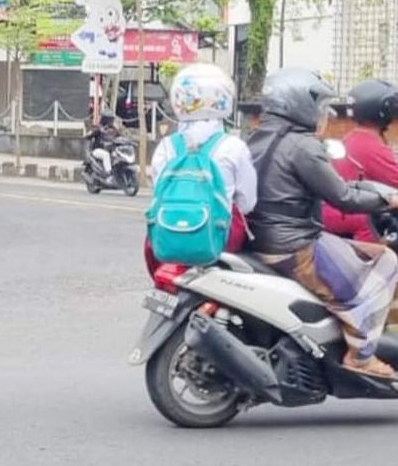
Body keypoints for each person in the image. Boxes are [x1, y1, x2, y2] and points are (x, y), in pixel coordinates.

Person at [248, 67, 398, 379]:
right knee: (386, 262)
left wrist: (374, 193)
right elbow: (343, 196)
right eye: (316, 103)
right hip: (296, 246)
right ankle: (361, 354)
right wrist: (387, 200)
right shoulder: (302, 146)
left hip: (264, 239)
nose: (322, 113)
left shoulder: (257, 140)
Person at [145, 64, 257, 275]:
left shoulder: (166, 147)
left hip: (168, 238)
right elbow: (247, 203)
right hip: (219, 242)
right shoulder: (233, 147)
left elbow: (156, 191)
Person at [322, 79, 398, 243]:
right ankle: (373, 262)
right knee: (370, 224)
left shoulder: (355, 137)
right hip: (346, 212)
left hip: (338, 206)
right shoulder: (370, 145)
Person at [86, 110, 120, 176]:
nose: (112, 121)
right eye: (110, 119)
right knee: (105, 155)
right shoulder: (99, 128)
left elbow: (121, 138)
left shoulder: (114, 130)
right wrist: (95, 132)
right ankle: (108, 173)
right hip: (98, 150)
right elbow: (88, 136)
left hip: (111, 150)